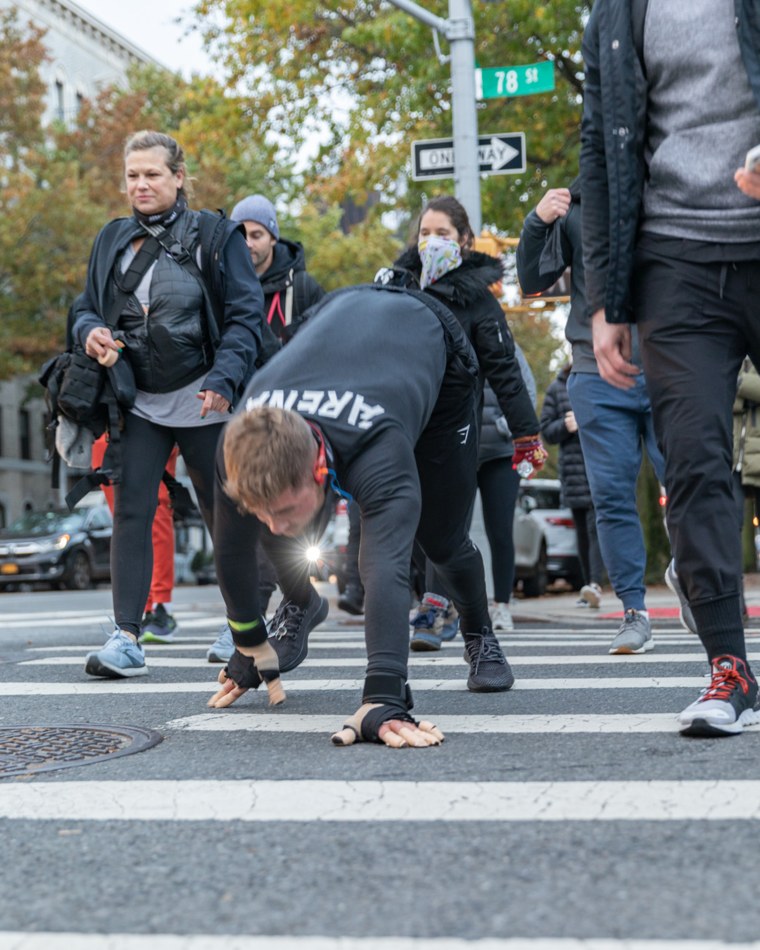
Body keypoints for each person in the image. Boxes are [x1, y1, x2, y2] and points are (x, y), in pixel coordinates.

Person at [207, 282, 517, 747]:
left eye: (285, 509)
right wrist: (250, 642)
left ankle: (479, 633)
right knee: (270, 517)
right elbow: (230, 548)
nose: (273, 526)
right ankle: (301, 603)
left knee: (440, 538)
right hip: (341, 311)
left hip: (432, 343)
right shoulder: (238, 442)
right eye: (263, 513)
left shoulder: (378, 447)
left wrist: (384, 695)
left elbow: (384, 568)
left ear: (317, 467)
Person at [580, 0, 760, 736]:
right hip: (676, 263)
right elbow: (600, 146)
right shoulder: (617, 11)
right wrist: (604, 298)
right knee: (692, 462)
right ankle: (729, 667)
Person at [73, 129, 264, 678]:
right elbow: (85, 307)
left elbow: (245, 316)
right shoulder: (111, 239)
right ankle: (126, 638)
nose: (141, 184)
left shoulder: (215, 235)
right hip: (138, 400)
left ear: (178, 178)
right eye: (132, 175)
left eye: (152, 174)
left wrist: (226, 377)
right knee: (131, 510)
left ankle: (241, 629)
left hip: (207, 398)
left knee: (222, 513)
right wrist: (91, 331)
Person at [376, 195, 546, 651]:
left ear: (464, 240)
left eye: (443, 234)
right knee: (407, 521)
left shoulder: (477, 300)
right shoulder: (399, 288)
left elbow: (506, 372)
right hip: (406, 426)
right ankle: (428, 604)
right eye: (425, 233)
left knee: (445, 523)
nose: (431, 242)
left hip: (456, 431)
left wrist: (527, 436)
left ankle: (445, 609)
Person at [516, 178, 670, 653]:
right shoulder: (576, 205)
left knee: (688, 484)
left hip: (671, 366)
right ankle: (633, 612)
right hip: (596, 372)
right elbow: (532, 281)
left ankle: (694, 575)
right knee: (612, 498)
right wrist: (536, 223)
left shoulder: (669, 188)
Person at [205, 194, 327, 663]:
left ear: (272, 236)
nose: (249, 243)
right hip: (241, 418)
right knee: (247, 515)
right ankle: (255, 614)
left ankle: (288, 605)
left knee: (281, 516)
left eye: (256, 233)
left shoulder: (303, 286)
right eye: (241, 235)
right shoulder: (223, 285)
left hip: (295, 417)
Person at [477, 345, 537, 632]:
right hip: (459, 448)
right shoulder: (446, 333)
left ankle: (501, 605)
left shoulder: (506, 344)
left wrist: (508, 426)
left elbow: (527, 388)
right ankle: (449, 604)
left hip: (501, 453)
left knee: (500, 532)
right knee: (449, 533)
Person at [539, 361, 604, 609]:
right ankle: (588, 584)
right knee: (582, 532)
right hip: (573, 471)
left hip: (599, 464)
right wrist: (565, 426)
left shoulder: (604, 379)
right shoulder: (557, 387)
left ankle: (596, 583)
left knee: (596, 527)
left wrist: (588, 420)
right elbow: (547, 430)